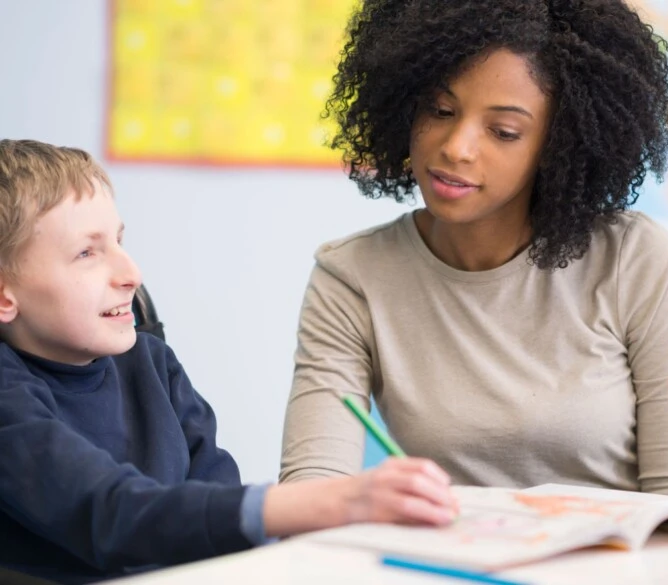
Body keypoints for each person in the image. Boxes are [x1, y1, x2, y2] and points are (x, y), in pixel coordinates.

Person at [280, 0, 668, 497]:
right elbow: (310, 492)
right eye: (440, 110)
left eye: (503, 131)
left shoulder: (634, 260)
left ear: (559, 145)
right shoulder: (352, 276)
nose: (456, 147)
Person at [0, 139, 458, 585]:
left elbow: (216, 498)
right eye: (86, 252)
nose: (131, 274)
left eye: (119, 241)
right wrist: (331, 501)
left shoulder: (150, 360)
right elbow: (111, 512)